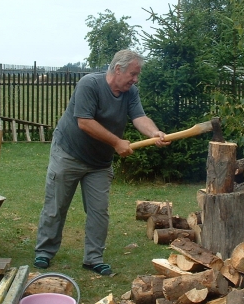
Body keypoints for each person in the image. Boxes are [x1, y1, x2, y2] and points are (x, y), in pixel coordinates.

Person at [34, 49, 170, 275]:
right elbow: (84, 122)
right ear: (118, 69)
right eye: (133, 74)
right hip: (68, 153)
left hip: (99, 163)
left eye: (137, 75)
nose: (136, 79)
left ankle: (93, 258)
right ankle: (44, 252)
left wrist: (154, 133)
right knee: (56, 206)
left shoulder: (130, 92)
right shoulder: (89, 84)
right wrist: (117, 142)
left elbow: (139, 117)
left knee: (99, 211)